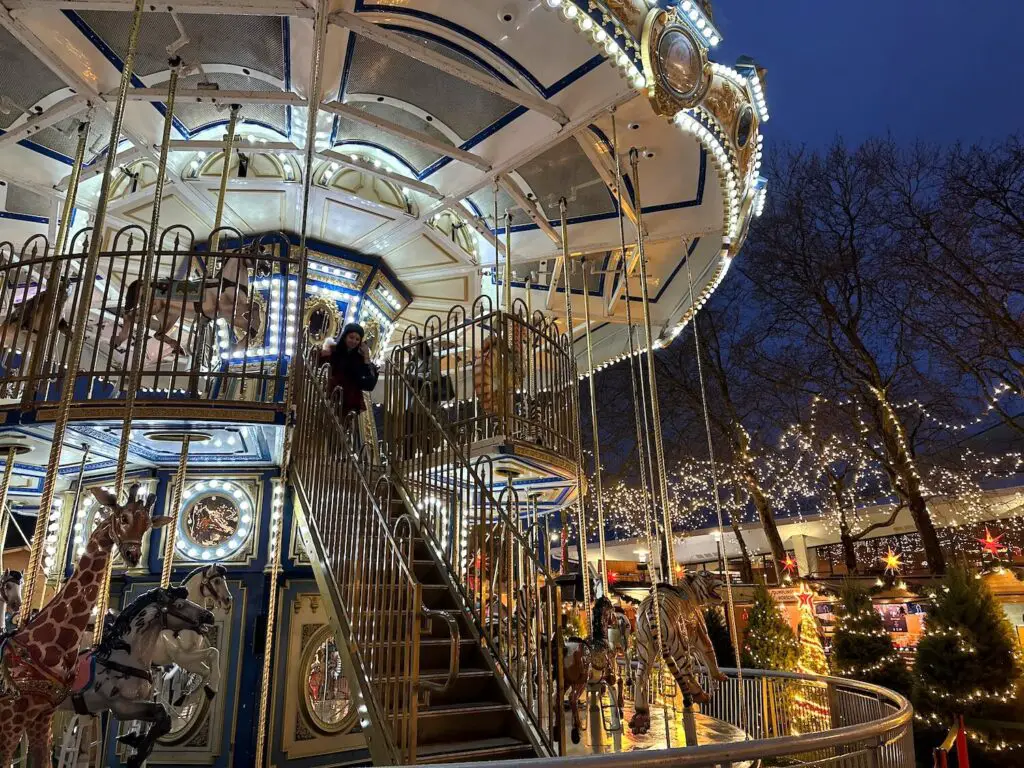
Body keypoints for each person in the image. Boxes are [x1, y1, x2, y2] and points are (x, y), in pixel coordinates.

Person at [320, 323, 379, 419]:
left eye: (357, 339)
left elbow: (369, 384)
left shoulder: (359, 359)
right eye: (351, 337)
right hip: (331, 395)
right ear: (344, 337)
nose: (354, 341)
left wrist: (366, 358)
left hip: (349, 402)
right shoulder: (333, 351)